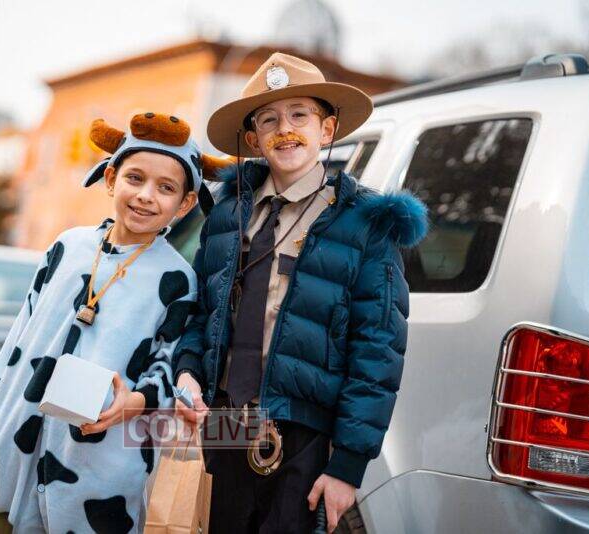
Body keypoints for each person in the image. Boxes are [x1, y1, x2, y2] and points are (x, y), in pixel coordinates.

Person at [173, 52, 429, 533]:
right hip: (224, 421)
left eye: (299, 115)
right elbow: (201, 314)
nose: (284, 129)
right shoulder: (227, 215)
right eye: (268, 119)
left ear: (326, 130)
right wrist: (187, 371)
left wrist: (347, 466)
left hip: (302, 431)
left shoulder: (365, 223)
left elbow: (378, 351)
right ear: (253, 139)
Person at [0, 112, 232, 533]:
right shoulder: (67, 246)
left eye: (166, 187)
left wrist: (136, 401)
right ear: (111, 178)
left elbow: (167, 362)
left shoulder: (177, 279)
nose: (146, 196)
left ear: (186, 203)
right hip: (22, 439)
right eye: (135, 178)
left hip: (101, 460)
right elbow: (23, 326)